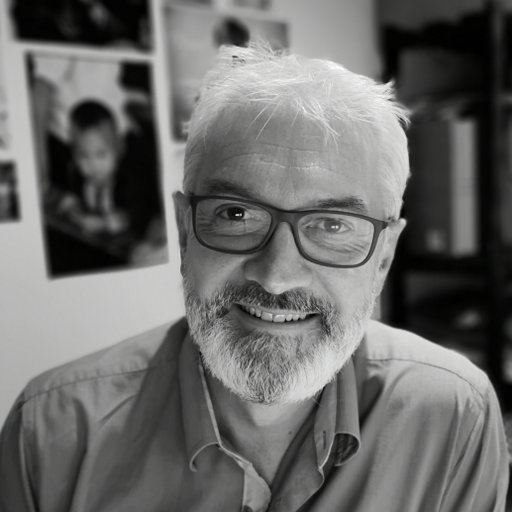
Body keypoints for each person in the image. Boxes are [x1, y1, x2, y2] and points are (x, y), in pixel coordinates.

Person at [0, 43, 509, 511]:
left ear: (384, 257)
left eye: (332, 225)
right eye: (236, 214)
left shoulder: (454, 414)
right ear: (184, 232)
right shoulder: (49, 435)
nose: (277, 276)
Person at [59, 99, 129, 235]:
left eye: (101, 154)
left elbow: (134, 217)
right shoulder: (77, 177)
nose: (93, 165)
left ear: (119, 149)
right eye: (83, 156)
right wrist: (71, 206)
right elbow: (72, 196)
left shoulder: (127, 182)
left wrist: (104, 223)